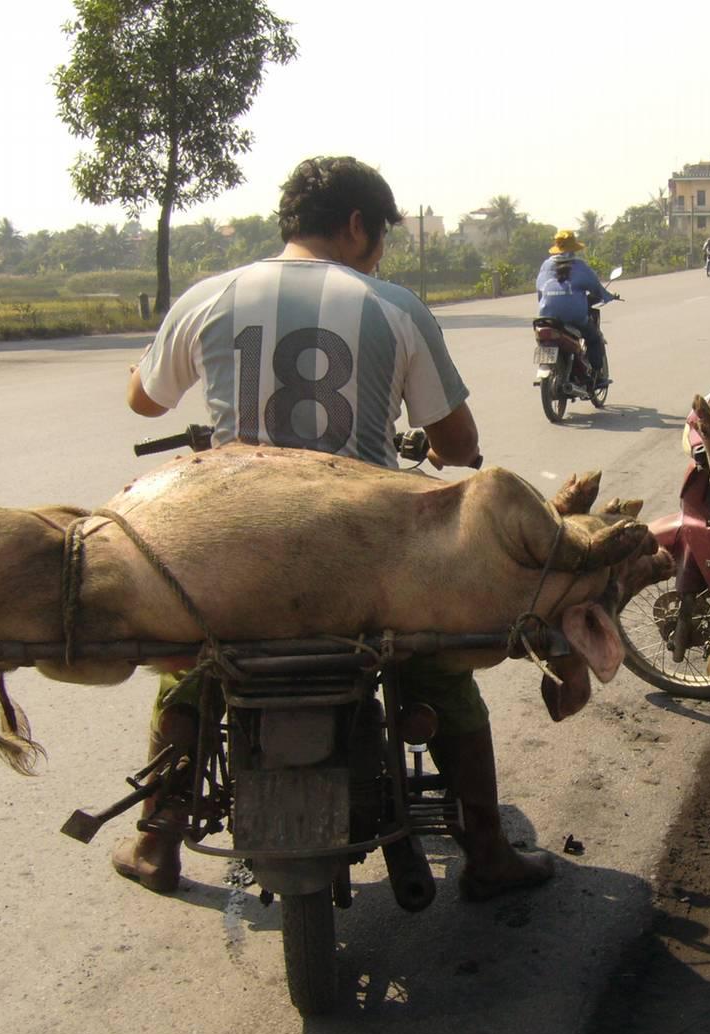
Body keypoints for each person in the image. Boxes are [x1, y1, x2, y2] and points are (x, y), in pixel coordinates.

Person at [118, 155, 556, 901]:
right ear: (356, 226)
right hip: (366, 560)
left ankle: (157, 841)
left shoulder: (213, 294)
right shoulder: (394, 307)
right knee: (437, 669)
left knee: (196, 664)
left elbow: (143, 403)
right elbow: (454, 447)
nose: (379, 249)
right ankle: (486, 849)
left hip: (239, 550)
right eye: (379, 234)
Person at [535, 230, 617, 387]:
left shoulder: (546, 266)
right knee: (594, 338)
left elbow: (540, 292)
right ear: (573, 249)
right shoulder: (580, 267)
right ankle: (598, 377)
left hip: (547, 317)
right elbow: (596, 288)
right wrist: (608, 296)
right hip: (574, 317)